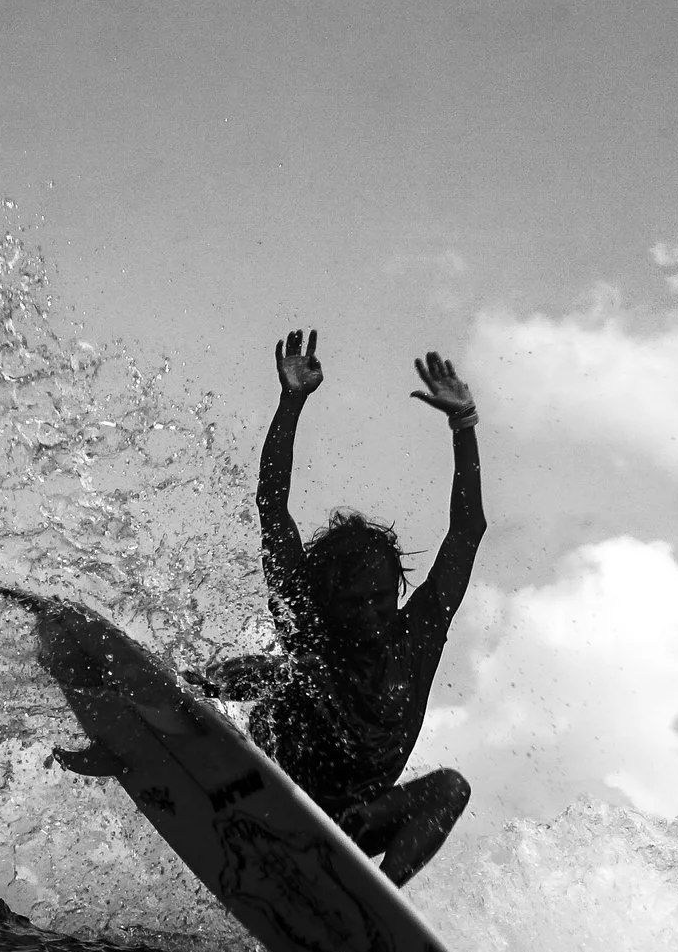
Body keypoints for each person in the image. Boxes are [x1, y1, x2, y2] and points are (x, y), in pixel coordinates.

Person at [184, 328, 487, 886]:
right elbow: (272, 504)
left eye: (379, 599)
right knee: (278, 674)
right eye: (353, 603)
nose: (370, 613)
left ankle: (375, 900)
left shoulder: (417, 636)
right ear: (328, 601)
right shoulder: (309, 619)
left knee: (450, 788)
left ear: (397, 591)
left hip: (354, 829)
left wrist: (464, 423)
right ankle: (174, 706)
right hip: (270, 801)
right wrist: (291, 402)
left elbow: (468, 531)